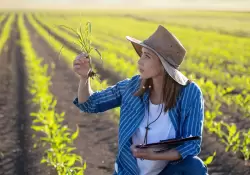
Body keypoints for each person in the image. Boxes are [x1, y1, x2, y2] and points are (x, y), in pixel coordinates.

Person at [72, 25, 208, 175]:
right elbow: (89, 104)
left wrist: (154, 155)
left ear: (163, 65)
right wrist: (85, 77)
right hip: (130, 171)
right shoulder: (131, 87)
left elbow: (191, 145)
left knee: (194, 167)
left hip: (167, 171)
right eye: (141, 54)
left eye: (147, 56)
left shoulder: (190, 93)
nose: (140, 62)